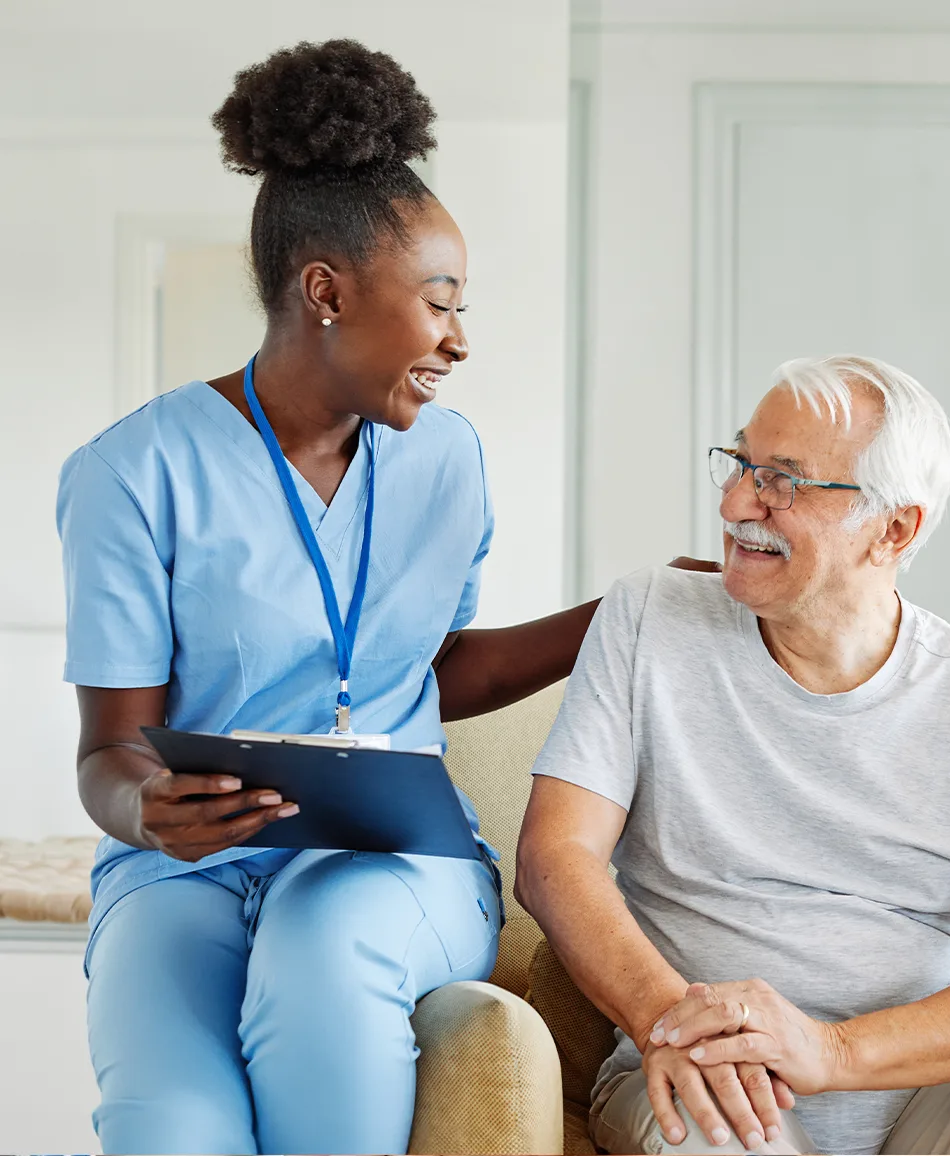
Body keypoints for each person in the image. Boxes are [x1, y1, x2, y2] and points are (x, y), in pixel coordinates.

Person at [58, 39, 611, 1156]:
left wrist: (614, 614)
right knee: (174, 1128)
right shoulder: (131, 472)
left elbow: (430, 666)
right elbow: (110, 751)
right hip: (189, 869)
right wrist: (144, 814)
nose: (459, 339)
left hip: (388, 863)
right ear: (325, 290)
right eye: (439, 303)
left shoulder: (445, 461)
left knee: (323, 949)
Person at [516, 354, 950, 1156]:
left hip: (932, 1105)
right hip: (701, 1076)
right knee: (714, 1135)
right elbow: (554, 856)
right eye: (741, 463)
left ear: (895, 529)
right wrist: (670, 1023)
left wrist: (833, 1053)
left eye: (784, 481)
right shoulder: (649, 617)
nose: (734, 504)